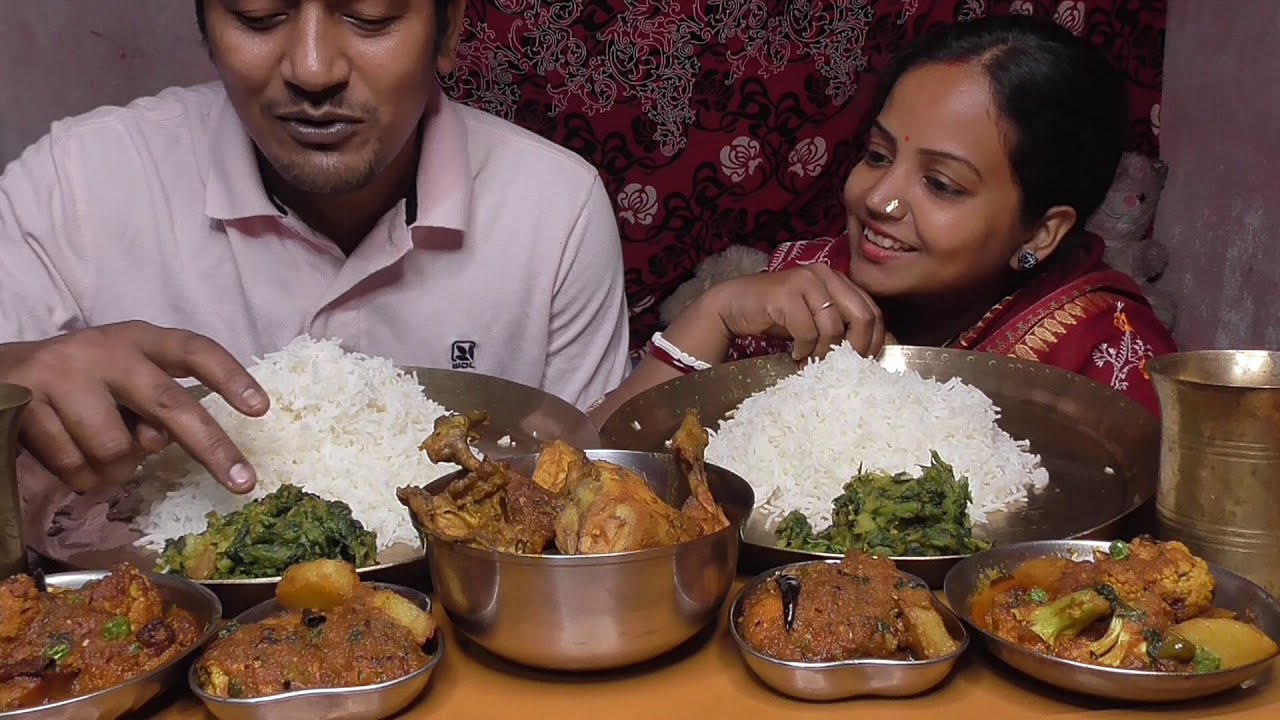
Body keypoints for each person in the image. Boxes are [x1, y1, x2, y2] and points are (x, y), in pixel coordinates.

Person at [0, 0, 630, 496]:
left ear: (448, 30)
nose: (312, 69)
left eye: (369, 18)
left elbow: (582, 498)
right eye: (258, 17)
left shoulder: (554, 208)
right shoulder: (69, 186)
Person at [591, 14, 1175, 423]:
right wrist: (713, 313)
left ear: (1041, 233)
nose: (879, 200)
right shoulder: (804, 285)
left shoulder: (1108, 357)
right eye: (877, 155)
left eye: (941, 185)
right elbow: (578, 470)